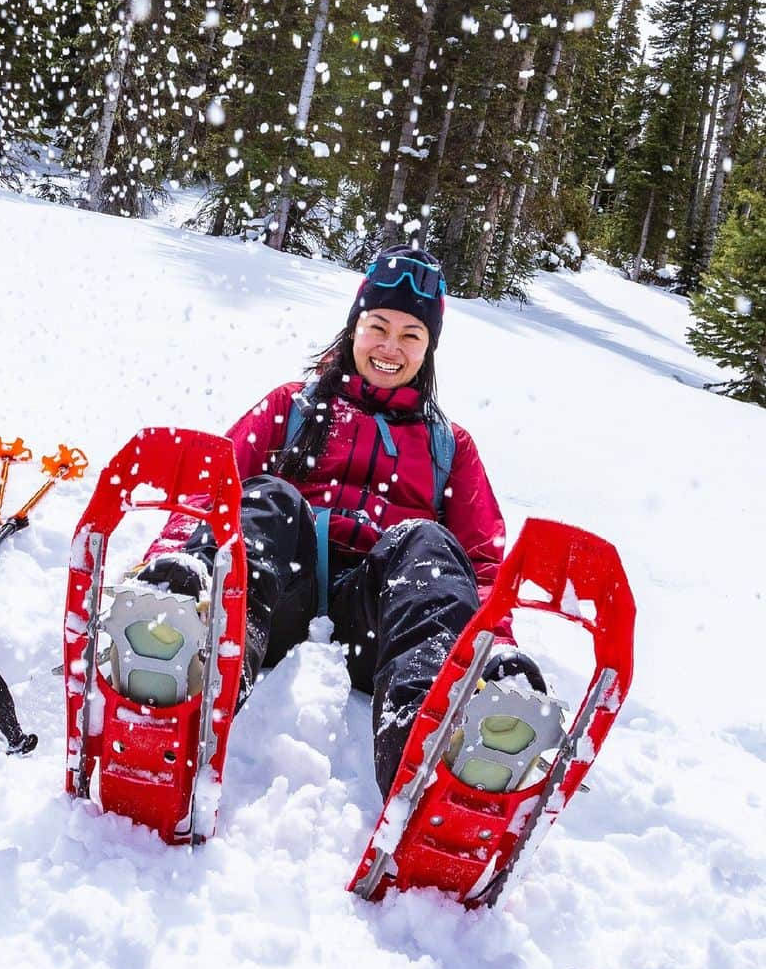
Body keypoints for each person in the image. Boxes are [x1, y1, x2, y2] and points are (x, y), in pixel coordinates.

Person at [137, 245, 542, 799]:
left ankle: (431, 741)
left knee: (427, 542)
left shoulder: (450, 445)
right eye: (378, 326)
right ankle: (186, 646)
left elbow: (483, 562)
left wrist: (494, 647)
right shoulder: (293, 406)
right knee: (268, 498)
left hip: (377, 621)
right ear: (354, 326)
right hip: (275, 597)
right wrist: (168, 566)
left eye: (410, 336)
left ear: (429, 350)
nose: (390, 347)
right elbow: (213, 491)